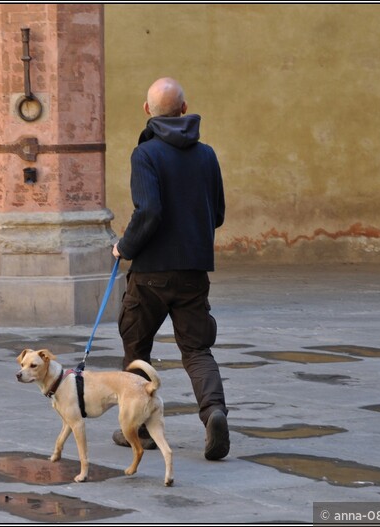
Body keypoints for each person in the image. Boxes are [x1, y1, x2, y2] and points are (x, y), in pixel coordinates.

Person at [111, 77, 229, 461]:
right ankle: (213, 412)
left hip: (150, 273)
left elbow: (149, 211)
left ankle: (140, 428)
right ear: (184, 108)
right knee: (197, 350)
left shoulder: (145, 155)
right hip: (194, 269)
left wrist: (123, 247)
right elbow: (219, 214)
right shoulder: (207, 154)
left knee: (136, 346)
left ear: (147, 111)